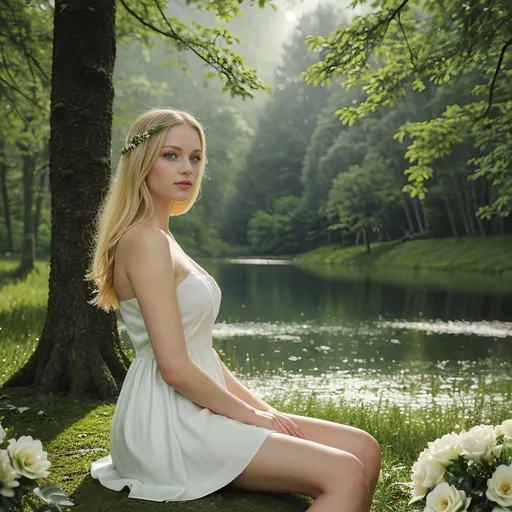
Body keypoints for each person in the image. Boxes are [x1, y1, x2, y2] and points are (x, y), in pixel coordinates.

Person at [86, 107, 381, 511]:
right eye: (170, 155)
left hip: (199, 404)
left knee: (364, 447)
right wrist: (252, 419)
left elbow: (202, 353)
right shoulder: (144, 241)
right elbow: (174, 367)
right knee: (345, 470)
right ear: (141, 160)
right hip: (168, 422)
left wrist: (264, 409)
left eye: (195, 157)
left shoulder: (165, 239)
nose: (186, 168)